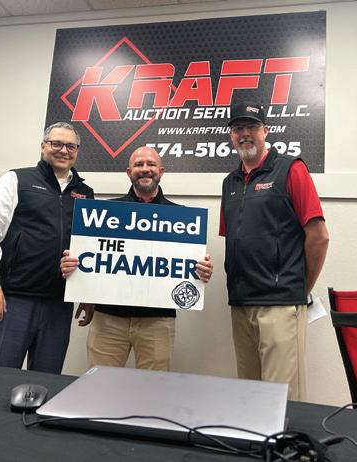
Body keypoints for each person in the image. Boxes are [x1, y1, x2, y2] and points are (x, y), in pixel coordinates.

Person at [61, 146, 213, 371]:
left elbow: (185, 268)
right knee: (100, 387)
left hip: (158, 321)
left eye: (151, 164)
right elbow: (94, 261)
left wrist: (200, 270)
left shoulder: (182, 217)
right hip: (108, 319)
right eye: (139, 165)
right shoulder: (105, 211)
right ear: (129, 172)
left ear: (161, 171)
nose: (145, 169)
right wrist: (75, 270)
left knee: (153, 389)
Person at [220, 102, 329, 401]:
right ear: (231, 135)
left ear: (265, 131)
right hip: (240, 304)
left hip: (279, 304)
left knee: (283, 400)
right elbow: (235, 241)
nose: (244, 134)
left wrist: (299, 288)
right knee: (250, 396)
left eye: (252, 127)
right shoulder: (229, 183)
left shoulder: (291, 169)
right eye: (238, 128)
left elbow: (319, 237)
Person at [0, 122, 95, 373]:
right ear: (43, 146)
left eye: (70, 146)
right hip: (13, 299)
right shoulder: (16, 179)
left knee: (44, 383)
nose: (63, 150)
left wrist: (87, 293)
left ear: (77, 151)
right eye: (56, 144)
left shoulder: (85, 193)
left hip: (58, 304)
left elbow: (88, 247)